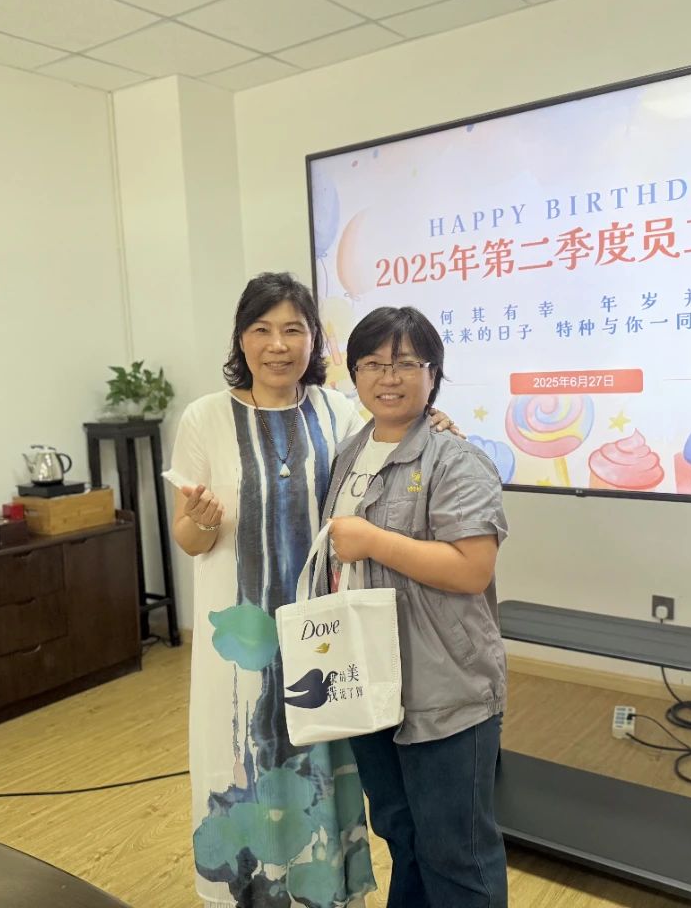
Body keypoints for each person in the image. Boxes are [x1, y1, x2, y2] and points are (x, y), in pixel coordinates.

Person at [169, 273, 458, 908]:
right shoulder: (204, 418)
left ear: (314, 340)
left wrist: (433, 420)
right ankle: (248, 892)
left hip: (324, 633)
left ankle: (324, 890)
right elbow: (188, 539)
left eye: (293, 329)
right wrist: (203, 521)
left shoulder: (337, 409)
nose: (278, 345)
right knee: (244, 756)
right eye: (262, 330)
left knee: (326, 756)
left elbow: (393, 443)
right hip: (240, 641)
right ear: (241, 339)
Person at [322, 306, 509, 908]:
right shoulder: (350, 453)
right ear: (354, 373)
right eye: (373, 363)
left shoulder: (456, 459)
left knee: (458, 854)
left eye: (406, 363)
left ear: (434, 374)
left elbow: (472, 569)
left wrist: (374, 540)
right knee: (402, 835)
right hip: (369, 681)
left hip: (444, 688)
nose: (389, 377)